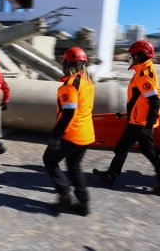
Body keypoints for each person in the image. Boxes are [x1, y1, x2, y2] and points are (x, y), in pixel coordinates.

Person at [93, 40, 160, 195]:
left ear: (139, 55)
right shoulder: (145, 70)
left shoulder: (143, 75)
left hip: (140, 122)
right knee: (149, 151)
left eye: (132, 54)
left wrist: (149, 124)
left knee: (122, 147)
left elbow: (154, 100)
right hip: (141, 120)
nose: (130, 56)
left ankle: (111, 175)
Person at [43, 47, 95, 215]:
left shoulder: (70, 85)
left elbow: (69, 112)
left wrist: (57, 135)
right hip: (87, 133)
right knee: (74, 165)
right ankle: (83, 202)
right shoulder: (88, 82)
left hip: (72, 133)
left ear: (65, 64)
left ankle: (64, 195)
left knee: (49, 160)